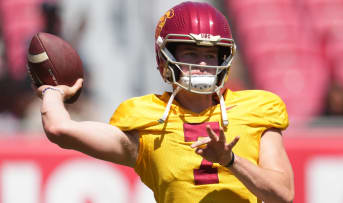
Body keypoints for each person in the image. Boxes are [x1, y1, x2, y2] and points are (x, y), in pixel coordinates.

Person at [35, 1, 294, 203]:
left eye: (209, 54)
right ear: (165, 58)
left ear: (223, 58)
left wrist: (230, 161)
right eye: (191, 52)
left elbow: (282, 194)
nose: (201, 64)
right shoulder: (146, 120)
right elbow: (61, 130)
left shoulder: (258, 108)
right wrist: (52, 92)